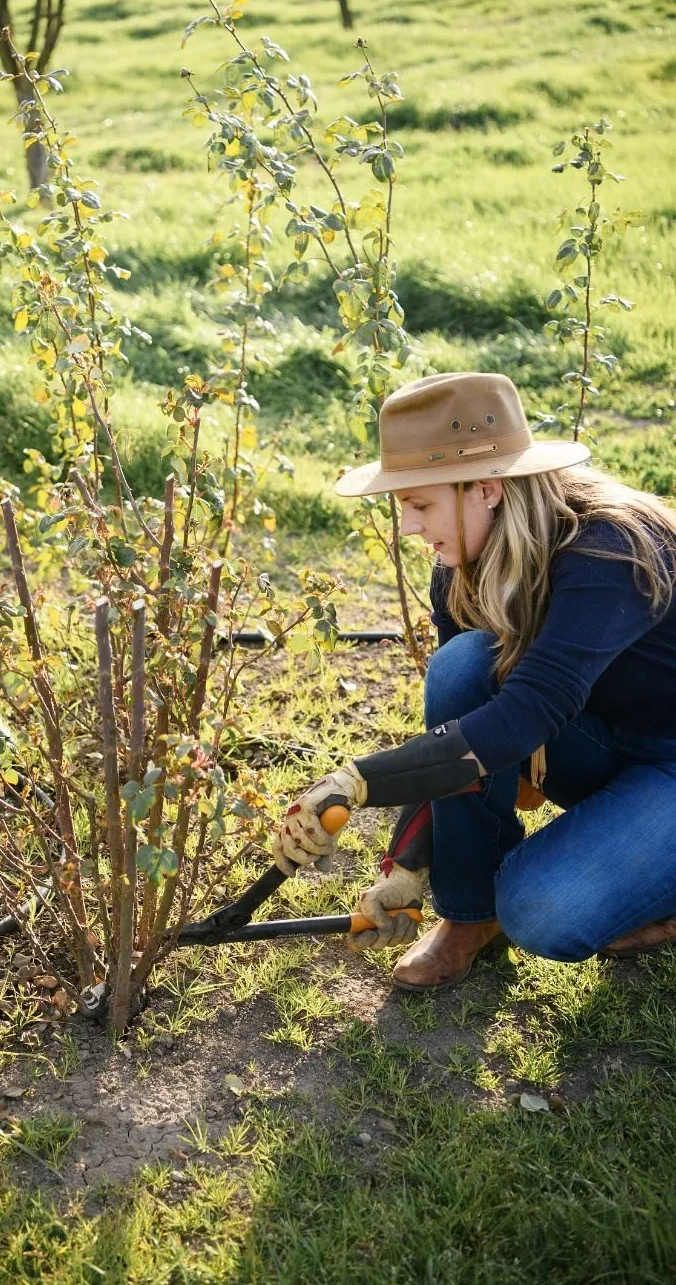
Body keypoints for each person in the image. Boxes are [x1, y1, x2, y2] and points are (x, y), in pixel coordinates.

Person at [273, 371, 676, 991]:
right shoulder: (465, 566)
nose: (408, 526)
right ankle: (469, 916)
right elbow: (459, 727)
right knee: (463, 663)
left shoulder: (610, 551)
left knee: (545, 911)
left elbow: (526, 715)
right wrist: (406, 866)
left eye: (419, 504)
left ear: (486, 488)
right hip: (604, 736)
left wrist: (358, 783)